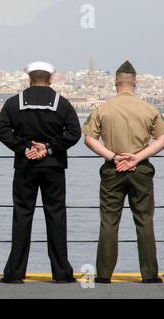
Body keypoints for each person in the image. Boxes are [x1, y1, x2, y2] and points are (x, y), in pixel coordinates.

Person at [0, 62, 81, 284]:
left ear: (29, 79)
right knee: (56, 216)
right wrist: (49, 148)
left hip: (25, 167)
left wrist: (25, 148)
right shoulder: (62, 104)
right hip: (54, 168)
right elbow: (74, 133)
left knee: (22, 216)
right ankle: (62, 273)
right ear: (50, 79)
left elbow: (2, 130)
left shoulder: (14, 103)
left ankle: (14, 273)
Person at [83, 60, 164, 284]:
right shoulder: (149, 109)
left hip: (112, 170)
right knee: (145, 220)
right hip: (141, 169)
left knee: (109, 221)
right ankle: (149, 275)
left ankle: (104, 274)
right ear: (135, 83)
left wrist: (113, 157)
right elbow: (162, 139)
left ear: (115, 82)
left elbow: (89, 139)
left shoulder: (103, 108)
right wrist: (137, 157)